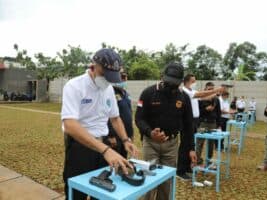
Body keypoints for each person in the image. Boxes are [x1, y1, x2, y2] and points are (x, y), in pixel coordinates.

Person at [61, 48, 138, 200]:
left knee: (103, 192)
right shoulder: (74, 86)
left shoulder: (108, 89)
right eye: (105, 75)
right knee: (77, 193)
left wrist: (125, 140)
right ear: (94, 66)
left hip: (104, 146)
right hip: (81, 148)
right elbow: (69, 124)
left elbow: (115, 118)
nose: (108, 80)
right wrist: (105, 150)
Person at [135, 63, 197, 200]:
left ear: (181, 82)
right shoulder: (148, 93)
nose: (171, 87)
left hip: (171, 146)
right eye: (169, 82)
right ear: (162, 77)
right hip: (150, 144)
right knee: (148, 180)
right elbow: (139, 119)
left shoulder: (184, 98)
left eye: (175, 84)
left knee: (166, 182)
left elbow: (188, 126)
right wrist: (150, 132)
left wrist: (191, 149)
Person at [177, 74, 224, 179]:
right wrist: (215, 90)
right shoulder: (185, 92)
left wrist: (217, 93)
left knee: (191, 145)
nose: (195, 83)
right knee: (185, 146)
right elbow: (202, 94)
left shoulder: (191, 92)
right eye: (193, 81)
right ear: (187, 81)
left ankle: (187, 167)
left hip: (194, 121)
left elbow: (205, 96)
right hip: (187, 122)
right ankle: (180, 171)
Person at [104, 70, 133, 158]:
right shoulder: (109, 92)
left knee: (123, 160)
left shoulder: (125, 93)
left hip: (125, 135)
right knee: (114, 161)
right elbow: (107, 114)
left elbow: (129, 113)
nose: (123, 80)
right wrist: (110, 135)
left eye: (125, 77)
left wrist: (130, 134)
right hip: (115, 136)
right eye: (121, 77)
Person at [198, 82, 222, 167]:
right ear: (205, 89)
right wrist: (205, 109)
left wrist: (219, 125)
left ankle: (209, 160)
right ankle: (197, 160)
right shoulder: (201, 98)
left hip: (213, 124)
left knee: (211, 144)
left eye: (212, 89)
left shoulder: (216, 99)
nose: (211, 91)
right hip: (203, 123)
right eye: (209, 89)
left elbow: (219, 113)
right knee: (199, 143)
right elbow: (197, 112)